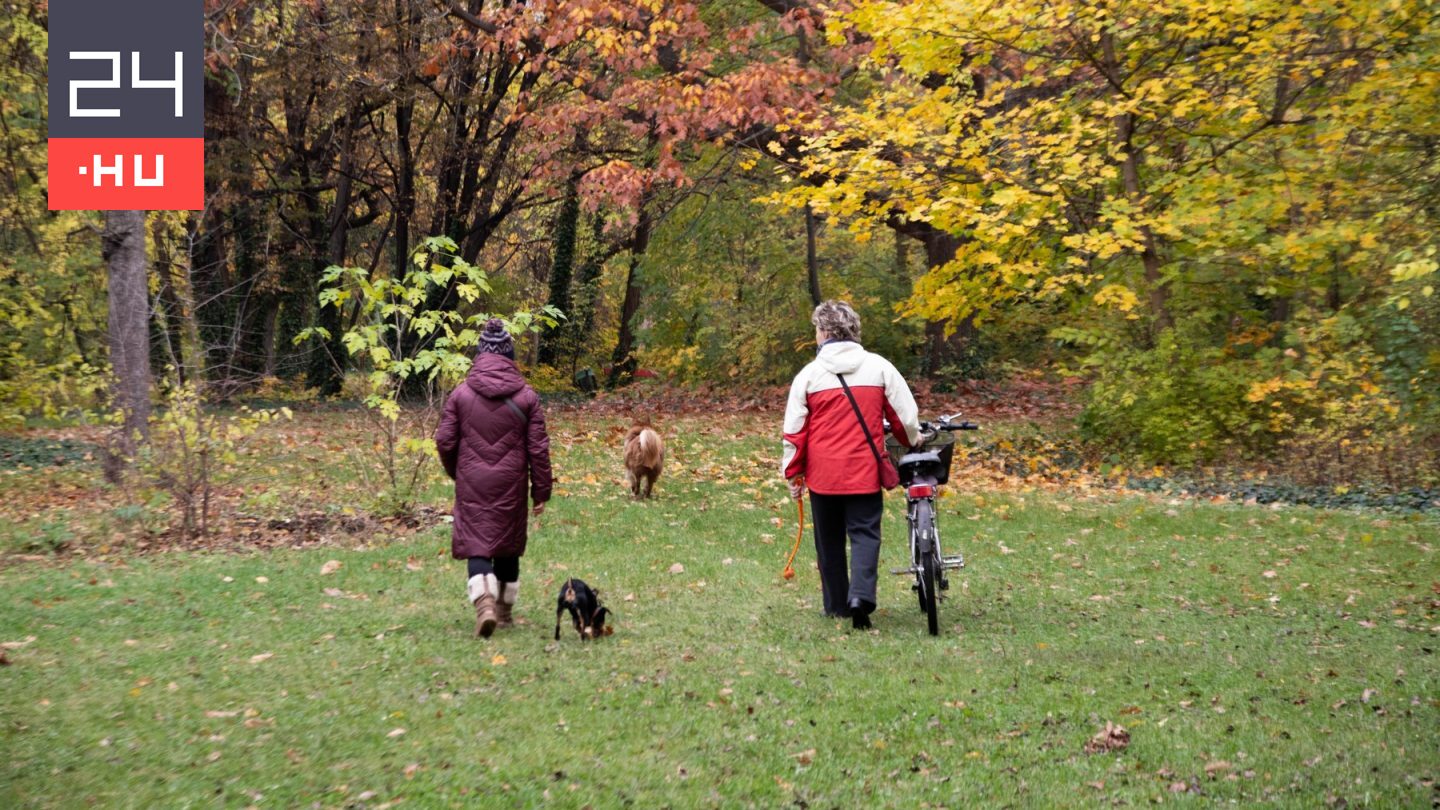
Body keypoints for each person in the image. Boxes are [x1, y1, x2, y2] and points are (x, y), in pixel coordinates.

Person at [782, 301, 920, 630]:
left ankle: (835, 606)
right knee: (864, 534)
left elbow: (795, 431)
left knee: (828, 540)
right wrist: (912, 440)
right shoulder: (879, 368)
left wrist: (792, 471)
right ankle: (860, 596)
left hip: (823, 473)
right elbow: (905, 418)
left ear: (826, 332)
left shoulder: (809, 376)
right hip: (864, 470)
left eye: (816, 329)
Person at [436, 319, 553, 638]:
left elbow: (445, 440)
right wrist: (540, 491)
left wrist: (455, 470)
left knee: (478, 543)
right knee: (507, 545)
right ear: (510, 357)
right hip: (511, 483)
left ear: (480, 356)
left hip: (472, 481)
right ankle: (502, 611)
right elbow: (539, 449)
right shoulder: (527, 397)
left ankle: (483, 603)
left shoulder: (460, 394)